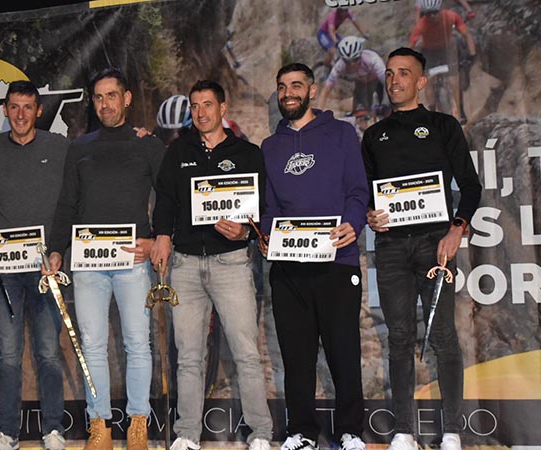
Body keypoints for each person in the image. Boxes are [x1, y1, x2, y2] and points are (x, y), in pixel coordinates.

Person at [361, 47, 481, 450]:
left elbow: (471, 186)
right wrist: (370, 215)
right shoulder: (373, 135)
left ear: (421, 81)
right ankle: (403, 432)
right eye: (389, 73)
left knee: (443, 336)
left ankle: (452, 432)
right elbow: (367, 194)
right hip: (391, 248)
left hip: (436, 246)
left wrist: (457, 229)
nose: (394, 81)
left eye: (404, 73)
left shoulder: (443, 126)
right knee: (398, 337)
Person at [44, 67, 164, 450]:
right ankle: (100, 424)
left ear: (126, 99)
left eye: (112, 95)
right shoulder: (80, 147)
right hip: (88, 262)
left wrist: (157, 238)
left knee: (137, 343)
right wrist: (56, 248)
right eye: (98, 97)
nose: (105, 104)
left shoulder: (147, 145)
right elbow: (67, 203)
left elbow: (169, 197)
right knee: (92, 345)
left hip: (133, 260)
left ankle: (138, 424)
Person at [150, 80, 273, 450]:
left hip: (231, 263)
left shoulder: (247, 153)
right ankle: (187, 434)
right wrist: (162, 235)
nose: (201, 112)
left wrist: (246, 232)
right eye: (195, 105)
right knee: (188, 357)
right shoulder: (178, 151)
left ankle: (261, 433)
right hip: (185, 265)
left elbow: (261, 208)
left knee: (246, 353)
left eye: (207, 104)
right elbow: (165, 200)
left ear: (223, 108)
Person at [258, 63, 369, 450]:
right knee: (296, 356)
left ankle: (350, 431)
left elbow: (358, 190)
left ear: (312, 91)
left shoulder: (341, 134)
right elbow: (269, 206)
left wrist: (354, 223)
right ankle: (301, 432)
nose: (288, 93)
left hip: (337, 262)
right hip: (289, 269)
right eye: (282, 87)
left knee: (344, 352)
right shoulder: (270, 147)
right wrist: (266, 236)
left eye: (296, 85)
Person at [0, 81, 70, 450]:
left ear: (39, 110)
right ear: (5, 110)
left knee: (48, 352)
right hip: (3, 271)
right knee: (9, 354)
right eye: (14, 107)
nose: (21, 114)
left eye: (28, 107)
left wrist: (59, 250)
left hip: (45, 268)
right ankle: (8, 433)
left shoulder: (59, 146)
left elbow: (74, 195)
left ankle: (53, 430)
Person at [409, 0, 477, 123]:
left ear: (440, 10)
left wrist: (472, 54)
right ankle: (432, 112)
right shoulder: (421, 25)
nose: (432, 16)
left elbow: (466, 35)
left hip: (447, 49)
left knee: (454, 80)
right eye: (428, 14)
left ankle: (460, 111)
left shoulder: (451, 16)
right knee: (429, 81)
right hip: (429, 52)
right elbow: (412, 47)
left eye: (434, 12)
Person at [318, 36, 386, 116]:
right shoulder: (340, 66)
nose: (352, 64)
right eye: (347, 61)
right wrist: (318, 114)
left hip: (378, 81)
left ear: (360, 55)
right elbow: (326, 90)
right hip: (361, 84)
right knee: (361, 115)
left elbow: (387, 83)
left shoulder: (372, 59)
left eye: (355, 59)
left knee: (386, 110)